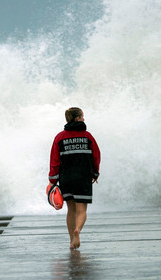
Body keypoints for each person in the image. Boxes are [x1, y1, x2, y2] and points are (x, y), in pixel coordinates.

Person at [49, 107, 101, 250]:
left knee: (71, 209)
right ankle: (78, 229)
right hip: (83, 177)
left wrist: (52, 179)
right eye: (82, 116)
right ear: (77, 118)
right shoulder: (88, 136)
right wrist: (95, 173)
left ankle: (72, 239)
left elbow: (54, 160)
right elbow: (96, 156)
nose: (84, 118)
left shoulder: (60, 137)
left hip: (66, 177)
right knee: (82, 210)